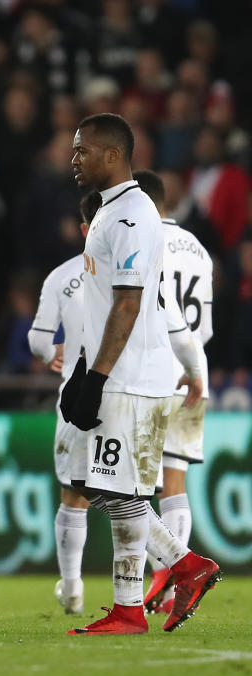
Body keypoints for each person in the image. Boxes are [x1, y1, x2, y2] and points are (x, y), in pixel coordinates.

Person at [62, 112, 219, 635]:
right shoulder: (113, 212)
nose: (74, 159)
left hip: (130, 380)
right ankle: (182, 566)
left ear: (112, 154)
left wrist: (97, 377)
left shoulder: (131, 215)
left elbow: (128, 304)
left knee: (117, 489)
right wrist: (86, 368)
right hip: (118, 373)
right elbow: (107, 300)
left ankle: (136, 604)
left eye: (82, 150)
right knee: (96, 484)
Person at [133, 169, 214, 615]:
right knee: (175, 482)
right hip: (192, 370)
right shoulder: (200, 250)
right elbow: (205, 325)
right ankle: (176, 586)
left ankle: (169, 574)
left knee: (133, 485)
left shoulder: (141, 242)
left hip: (149, 371)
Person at [28, 191, 101, 615]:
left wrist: (49, 354)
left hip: (77, 396)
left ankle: (72, 589)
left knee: (74, 493)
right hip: (131, 393)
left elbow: (39, 339)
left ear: (83, 229)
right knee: (131, 494)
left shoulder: (62, 276)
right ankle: (162, 580)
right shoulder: (140, 271)